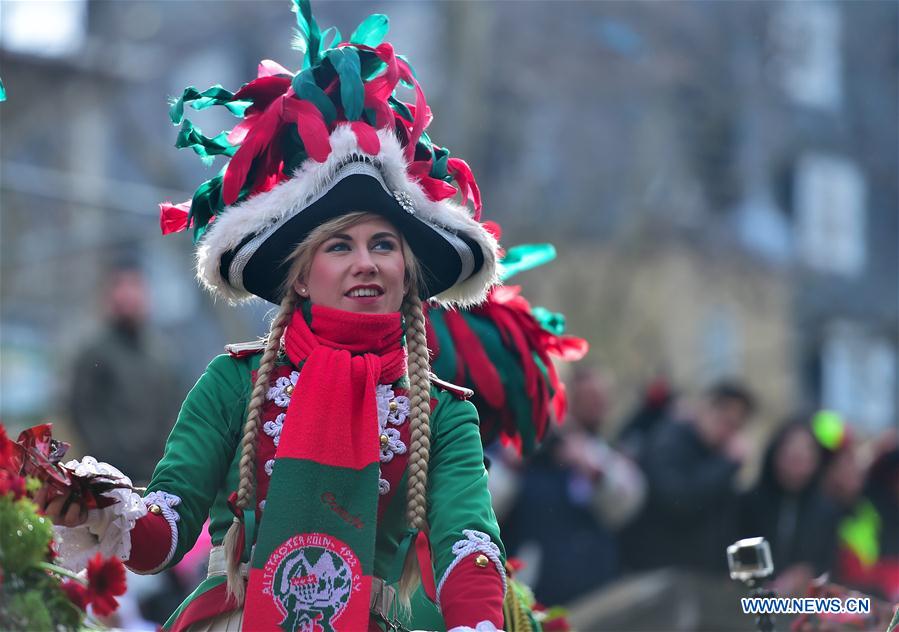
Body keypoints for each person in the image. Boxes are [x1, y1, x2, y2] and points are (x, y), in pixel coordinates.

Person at [38, 3, 509, 630]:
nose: (365, 263)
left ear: (408, 272)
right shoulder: (233, 382)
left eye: (383, 245)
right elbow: (164, 534)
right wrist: (102, 507)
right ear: (300, 276)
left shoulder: (445, 414)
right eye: (338, 246)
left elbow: (469, 546)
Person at [502, 367, 645, 605]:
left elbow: (627, 504)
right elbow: (490, 504)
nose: (595, 408)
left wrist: (595, 472)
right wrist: (513, 464)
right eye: (587, 399)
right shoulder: (522, 454)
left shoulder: (601, 454)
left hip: (599, 589)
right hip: (537, 595)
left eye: (599, 400)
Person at [622, 379, 756, 574]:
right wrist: (727, 464)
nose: (727, 431)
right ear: (706, 408)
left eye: (735, 426)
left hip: (698, 572)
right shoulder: (670, 440)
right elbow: (678, 499)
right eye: (724, 420)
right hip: (661, 568)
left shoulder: (717, 457)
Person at [67, 261, 182, 485]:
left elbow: (174, 409)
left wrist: (165, 456)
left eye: (135, 285)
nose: (128, 294)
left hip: (156, 474)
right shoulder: (94, 353)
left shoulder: (161, 354)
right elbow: (82, 410)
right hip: (108, 478)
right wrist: (109, 458)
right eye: (120, 285)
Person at [738, 418, 839, 595]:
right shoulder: (748, 502)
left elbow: (827, 564)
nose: (797, 464)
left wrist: (806, 574)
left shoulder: (827, 512)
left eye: (805, 456)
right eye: (791, 455)